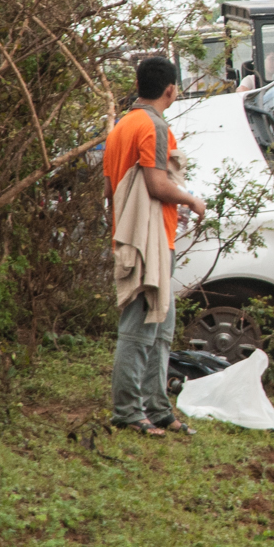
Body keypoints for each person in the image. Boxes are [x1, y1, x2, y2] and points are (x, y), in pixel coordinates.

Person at [105, 57, 206, 438]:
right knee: (138, 328)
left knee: (162, 326)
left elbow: (110, 189)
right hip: (151, 243)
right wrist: (191, 201)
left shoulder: (121, 126)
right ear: (171, 89)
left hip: (131, 236)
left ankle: (158, 409)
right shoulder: (154, 126)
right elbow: (155, 185)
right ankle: (129, 411)